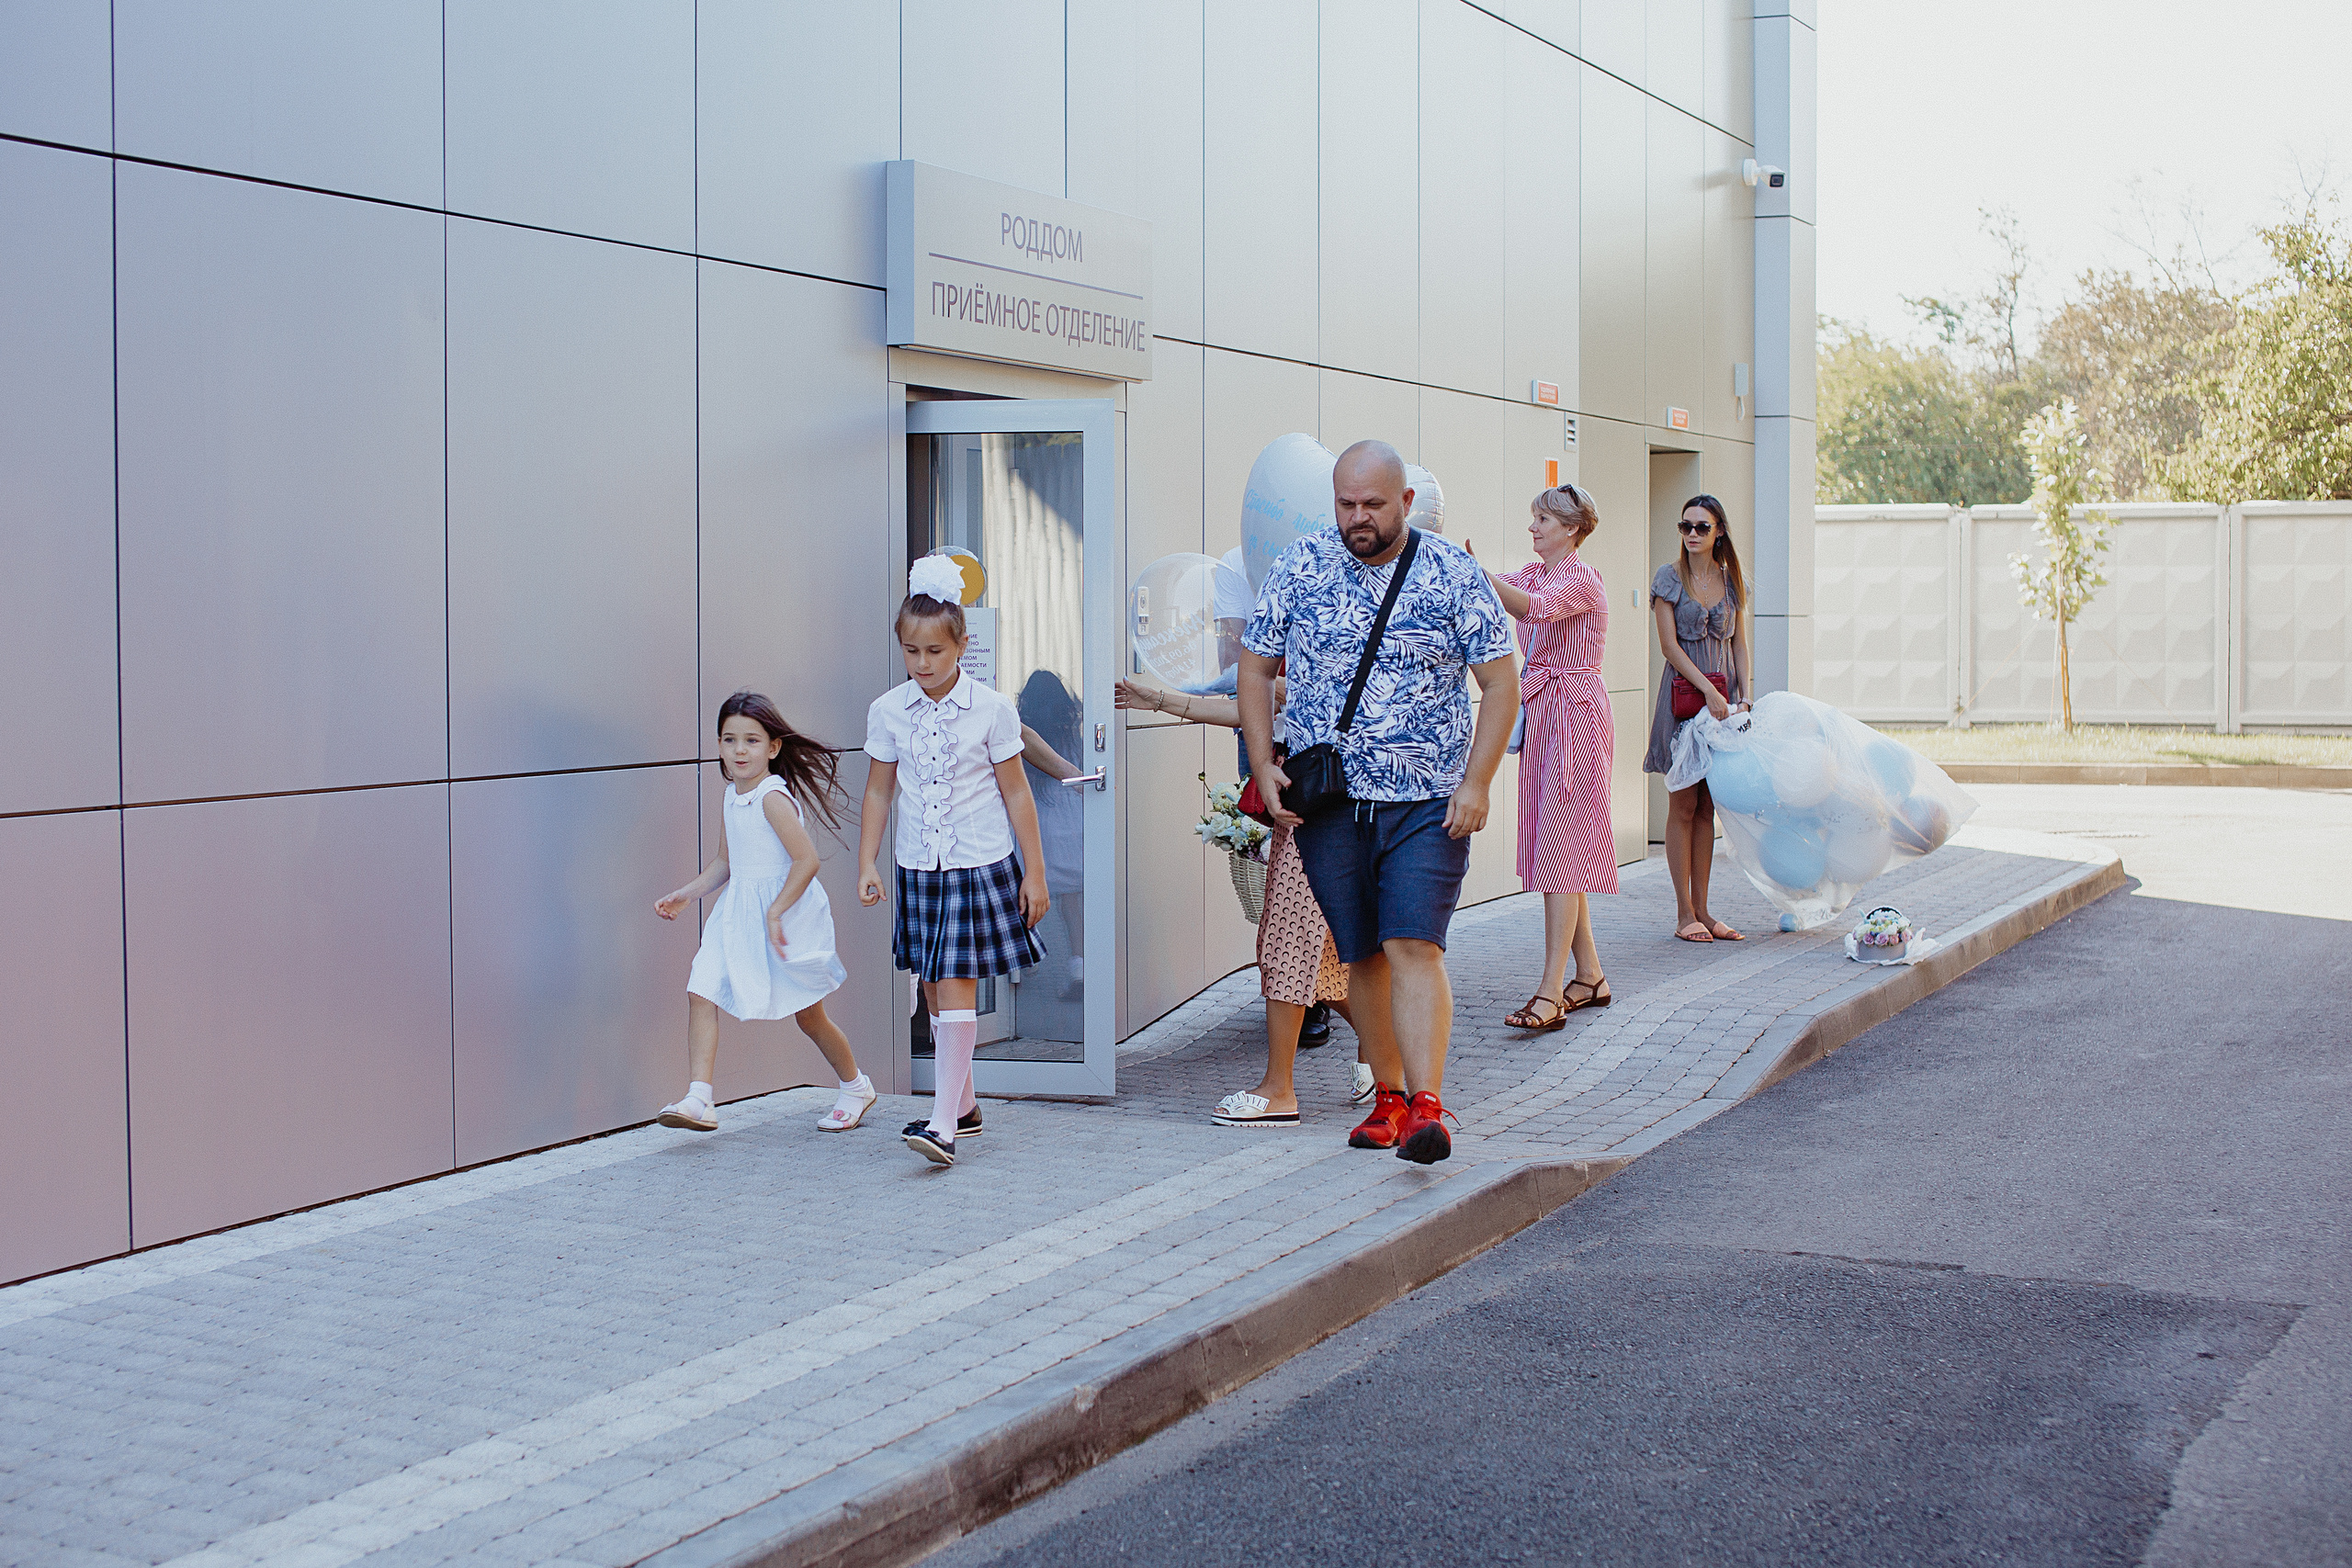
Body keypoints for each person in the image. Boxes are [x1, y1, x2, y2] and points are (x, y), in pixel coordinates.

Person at [1240, 440, 1519, 1166]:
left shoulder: (1452, 573)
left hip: (1428, 800)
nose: (1358, 518)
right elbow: (1255, 660)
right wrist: (1262, 763)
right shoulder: (1301, 564)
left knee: (1413, 943)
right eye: (1345, 504)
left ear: (1404, 502)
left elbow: (1500, 683)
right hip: (1329, 799)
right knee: (1362, 951)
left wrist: (1478, 781)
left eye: (1372, 504)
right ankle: (1388, 1098)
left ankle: (1427, 1105)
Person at [857, 557, 1050, 1168]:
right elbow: (879, 790)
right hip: (919, 863)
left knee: (956, 983)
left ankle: (942, 1124)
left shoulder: (992, 708)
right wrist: (868, 861)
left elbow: (1018, 791)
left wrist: (1035, 872)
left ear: (962, 644)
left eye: (935, 650)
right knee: (936, 992)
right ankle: (962, 1107)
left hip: (977, 860)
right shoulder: (889, 710)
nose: (922, 663)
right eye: (911, 651)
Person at [1114, 677, 1369, 1123]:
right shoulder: (1299, 664)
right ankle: (1384, 1055)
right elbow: (1242, 710)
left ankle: (1279, 1089)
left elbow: (1249, 705)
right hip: (1324, 811)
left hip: (1324, 812)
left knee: (1287, 945)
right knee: (1326, 954)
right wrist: (1155, 699)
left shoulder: (1324, 652)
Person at [653, 692, 870, 1133]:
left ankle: (856, 1086)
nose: (739, 750)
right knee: (702, 989)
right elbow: (726, 863)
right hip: (738, 914)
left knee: (809, 1015)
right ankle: (700, 1098)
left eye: (752, 741)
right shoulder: (732, 795)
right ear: (718, 746)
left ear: (773, 748)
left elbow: (806, 861)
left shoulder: (773, 797)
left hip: (786, 916)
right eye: (729, 740)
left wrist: (775, 912)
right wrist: (686, 893)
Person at [1478, 483, 1617, 1027]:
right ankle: (1590, 977)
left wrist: (1477, 573)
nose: (1533, 528)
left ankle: (1549, 992)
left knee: (1562, 850)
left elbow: (1531, 611)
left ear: (1571, 528)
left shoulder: (1582, 578)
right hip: (1545, 713)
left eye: (1542, 520)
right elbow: (1499, 591)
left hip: (1576, 714)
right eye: (1534, 518)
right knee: (1560, 849)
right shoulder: (1538, 571)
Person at [1645, 493, 1751, 942]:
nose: (1691, 534)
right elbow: (1669, 647)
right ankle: (1683, 913)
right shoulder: (1668, 579)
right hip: (1686, 702)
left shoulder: (1730, 582)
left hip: (1723, 707)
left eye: (1701, 527)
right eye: (1685, 526)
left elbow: (1738, 644)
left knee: (1709, 806)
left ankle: (1705, 911)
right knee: (1683, 804)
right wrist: (1708, 690)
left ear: (1719, 532)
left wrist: (1747, 691)